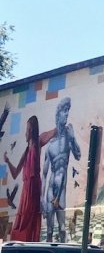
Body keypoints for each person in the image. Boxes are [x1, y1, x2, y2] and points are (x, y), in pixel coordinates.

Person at [41, 98, 80, 242]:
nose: (67, 115)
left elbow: (78, 155)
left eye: (68, 112)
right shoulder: (50, 145)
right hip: (51, 189)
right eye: (65, 112)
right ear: (58, 115)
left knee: (62, 228)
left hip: (61, 189)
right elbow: (44, 175)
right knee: (50, 230)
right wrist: (41, 198)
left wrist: (73, 137)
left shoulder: (68, 138)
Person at [4, 116, 44, 242]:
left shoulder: (37, 145)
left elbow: (51, 134)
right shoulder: (27, 151)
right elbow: (15, 173)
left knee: (29, 220)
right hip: (26, 192)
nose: (25, 133)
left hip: (33, 189)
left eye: (27, 130)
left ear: (31, 130)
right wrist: (8, 161)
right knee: (21, 224)